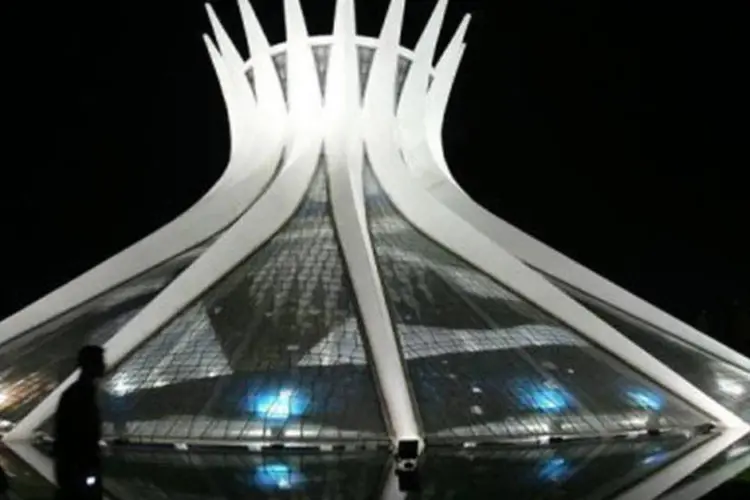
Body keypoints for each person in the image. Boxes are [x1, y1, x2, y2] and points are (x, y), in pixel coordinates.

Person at [53, 345, 105, 500]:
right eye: (100, 361)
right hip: (80, 467)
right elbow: (78, 433)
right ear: (91, 364)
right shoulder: (81, 394)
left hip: (75, 467)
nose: (104, 365)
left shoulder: (76, 392)